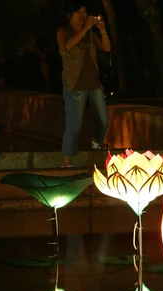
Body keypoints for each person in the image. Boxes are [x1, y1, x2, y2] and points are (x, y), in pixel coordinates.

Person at [57, 0, 112, 168]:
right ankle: (66, 163)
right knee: (74, 124)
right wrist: (86, 28)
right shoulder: (63, 32)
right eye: (79, 12)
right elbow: (66, 47)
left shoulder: (89, 33)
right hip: (74, 86)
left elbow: (106, 48)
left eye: (84, 12)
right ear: (69, 15)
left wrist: (102, 31)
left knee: (103, 119)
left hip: (93, 85)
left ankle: (97, 142)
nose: (83, 15)